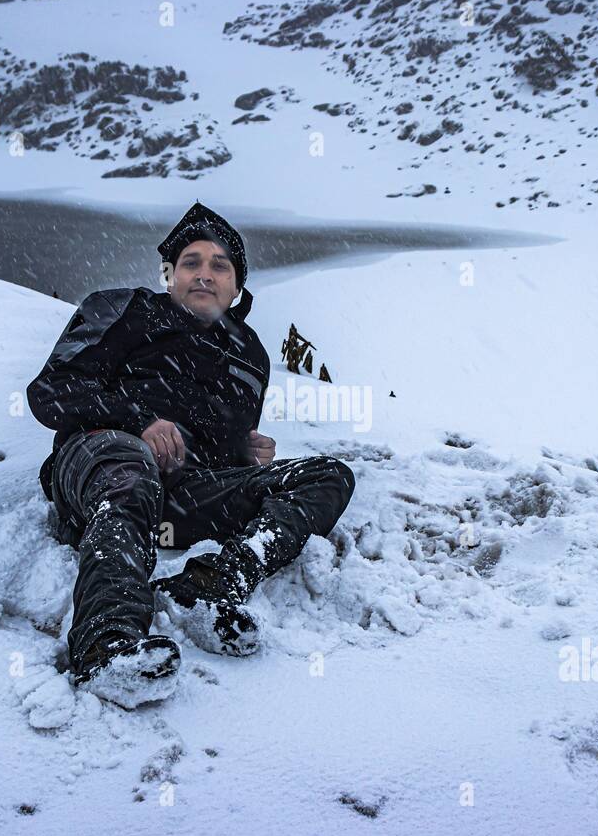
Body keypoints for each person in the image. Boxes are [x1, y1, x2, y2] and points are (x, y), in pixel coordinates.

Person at [26, 201, 356, 707]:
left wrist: (243, 453)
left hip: (185, 495)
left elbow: (220, 442)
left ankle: (211, 584)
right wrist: (138, 421)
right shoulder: (126, 309)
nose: (205, 274)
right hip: (99, 462)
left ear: (237, 285)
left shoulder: (250, 354)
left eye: (220, 265)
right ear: (171, 275)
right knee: (131, 469)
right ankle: (105, 647)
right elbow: (51, 391)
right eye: (191, 262)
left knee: (329, 475)